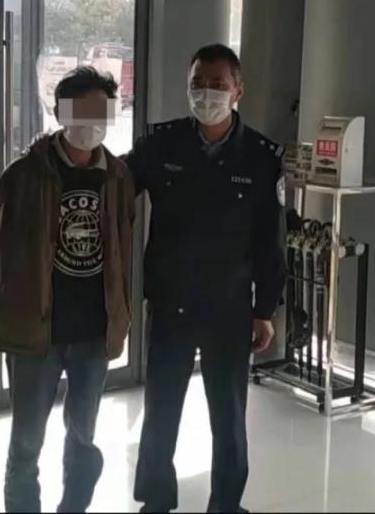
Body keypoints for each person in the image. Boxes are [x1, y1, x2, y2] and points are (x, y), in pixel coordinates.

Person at [127, 43, 287, 513]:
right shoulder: (162, 144)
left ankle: (227, 505)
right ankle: (156, 500)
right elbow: (115, 185)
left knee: (229, 416)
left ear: (238, 91)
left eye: (218, 84)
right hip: (171, 300)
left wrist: (265, 310)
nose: (207, 93)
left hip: (229, 306)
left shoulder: (261, 157)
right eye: (198, 83)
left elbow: (270, 240)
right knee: (161, 410)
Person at [0, 67, 136, 512]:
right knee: (26, 443)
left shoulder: (118, 176)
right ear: (59, 112)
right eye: (80, 111)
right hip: (36, 332)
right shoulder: (23, 175)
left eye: (100, 112)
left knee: (83, 437)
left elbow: (122, 248)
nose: (91, 122)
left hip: (93, 329)